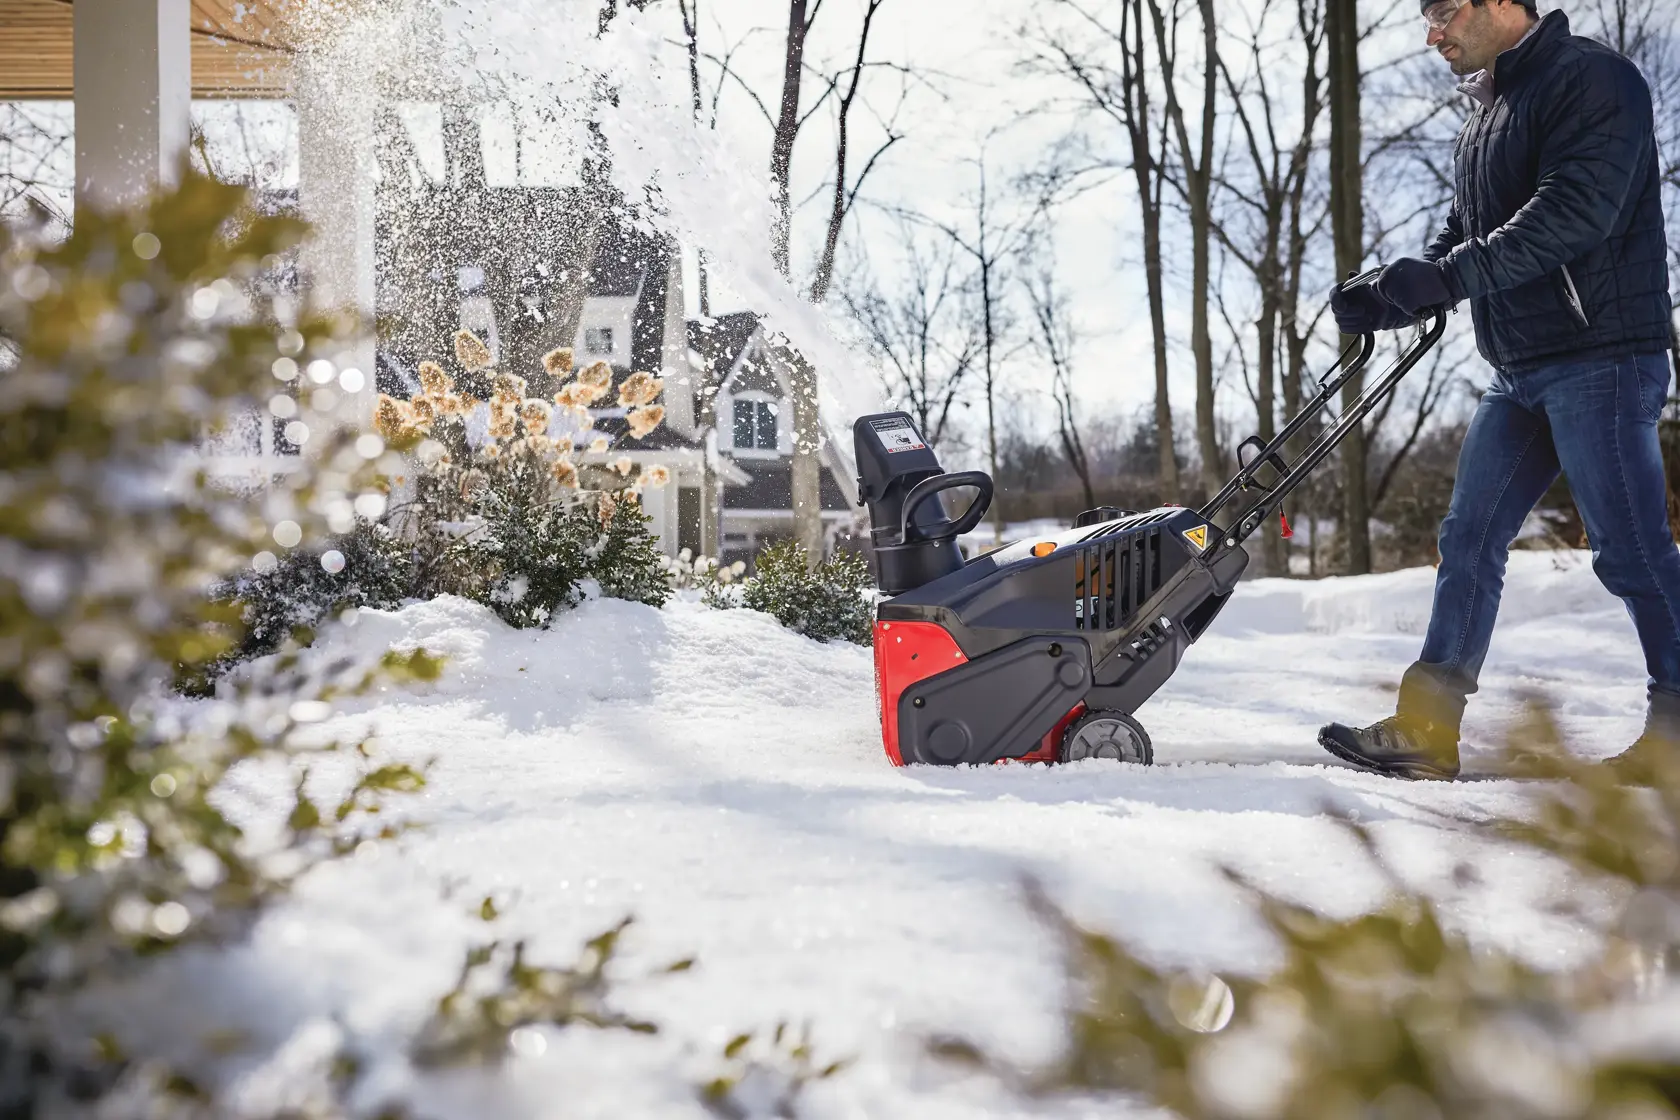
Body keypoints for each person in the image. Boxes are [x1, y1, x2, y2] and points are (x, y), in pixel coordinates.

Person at [1319, 0, 1679, 781]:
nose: (1432, 33)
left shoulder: (1595, 80)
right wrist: (1397, 293)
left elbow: (1574, 212)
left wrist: (1448, 275)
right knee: (1469, 538)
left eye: (1444, 12)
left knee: (1632, 552)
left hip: (1604, 358)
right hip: (1517, 368)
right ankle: (1426, 728)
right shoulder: (1487, 112)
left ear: (1503, 5)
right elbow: (1468, 225)